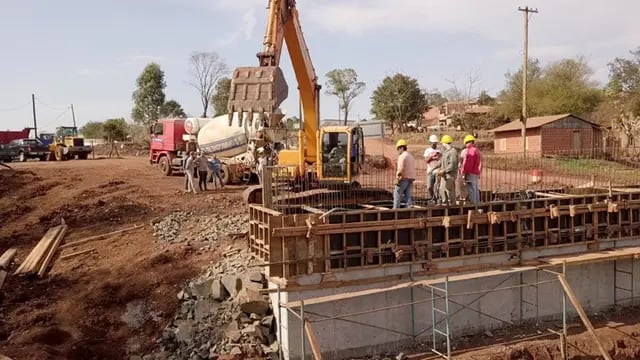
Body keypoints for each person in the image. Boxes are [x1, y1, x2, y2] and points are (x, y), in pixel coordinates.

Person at [393, 139, 416, 209]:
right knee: (408, 195)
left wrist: (397, 178)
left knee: (397, 193)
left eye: (398, 149)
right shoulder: (411, 156)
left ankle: (395, 209)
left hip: (404, 178)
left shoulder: (402, 156)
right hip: (411, 178)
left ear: (402, 148)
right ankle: (408, 208)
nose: (398, 151)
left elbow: (400, 168)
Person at [460, 134, 482, 204]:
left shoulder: (471, 151)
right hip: (475, 172)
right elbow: (480, 162)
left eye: (466, 142)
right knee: (475, 188)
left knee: (471, 188)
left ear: (470, 142)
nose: (466, 144)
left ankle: (474, 203)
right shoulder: (476, 150)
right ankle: (477, 203)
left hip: (470, 172)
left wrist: (465, 172)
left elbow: (469, 163)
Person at [437, 135, 458, 206]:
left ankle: (453, 204)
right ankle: (445, 203)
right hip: (444, 175)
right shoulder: (446, 152)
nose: (442, 145)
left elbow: (453, 164)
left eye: (442, 143)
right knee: (442, 189)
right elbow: (442, 162)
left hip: (450, 175)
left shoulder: (453, 152)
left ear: (445, 143)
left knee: (450, 189)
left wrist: (444, 171)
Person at [423, 134, 442, 201]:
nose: (434, 145)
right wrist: (432, 157)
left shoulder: (439, 150)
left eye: (435, 143)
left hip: (438, 171)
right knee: (429, 187)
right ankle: (433, 198)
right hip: (430, 171)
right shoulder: (427, 151)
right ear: (430, 143)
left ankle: (438, 200)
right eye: (433, 143)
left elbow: (441, 159)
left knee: (437, 187)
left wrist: (437, 157)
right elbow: (426, 160)